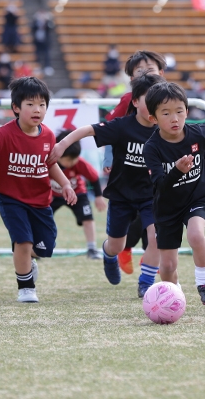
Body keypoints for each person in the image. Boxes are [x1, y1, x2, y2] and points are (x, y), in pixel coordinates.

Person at [49, 74, 165, 298]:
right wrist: (62, 144)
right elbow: (87, 130)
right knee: (116, 246)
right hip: (121, 196)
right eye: (149, 99)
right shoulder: (122, 126)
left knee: (157, 237)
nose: (155, 106)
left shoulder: (165, 129)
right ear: (135, 102)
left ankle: (146, 282)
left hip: (151, 195)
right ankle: (108, 254)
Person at [0, 77, 77, 303]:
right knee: (23, 242)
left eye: (41, 104)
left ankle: (28, 262)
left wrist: (66, 184)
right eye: (30, 104)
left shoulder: (48, 135)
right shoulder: (3, 134)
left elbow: (50, 164)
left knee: (43, 248)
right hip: (11, 199)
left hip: (41, 202)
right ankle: (26, 287)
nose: (37, 109)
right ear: (16, 108)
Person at [143, 82, 205, 305]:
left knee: (196, 235)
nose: (174, 118)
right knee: (168, 267)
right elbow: (160, 185)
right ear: (153, 118)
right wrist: (178, 171)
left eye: (179, 111)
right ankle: (173, 296)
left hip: (198, 197)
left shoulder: (199, 133)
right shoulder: (152, 148)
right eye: (166, 113)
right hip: (167, 206)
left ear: (187, 112)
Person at [103, 50, 166, 274]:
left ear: (161, 73)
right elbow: (110, 128)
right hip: (128, 178)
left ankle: (147, 274)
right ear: (131, 79)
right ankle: (119, 250)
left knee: (156, 229)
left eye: (149, 71)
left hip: (156, 181)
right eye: (139, 72)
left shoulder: (171, 98)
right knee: (130, 226)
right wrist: (109, 156)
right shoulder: (128, 101)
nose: (144, 75)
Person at [50, 129, 106, 260]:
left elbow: (94, 178)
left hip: (77, 194)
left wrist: (98, 197)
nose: (72, 163)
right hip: (53, 195)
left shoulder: (79, 163)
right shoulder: (49, 163)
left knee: (88, 218)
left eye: (74, 159)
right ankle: (40, 247)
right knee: (42, 219)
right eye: (69, 160)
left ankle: (92, 248)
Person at [32, 9, 54, 75]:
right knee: (37, 54)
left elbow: (51, 27)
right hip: (37, 40)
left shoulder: (48, 22)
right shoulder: (36, 22)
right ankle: (38, 67)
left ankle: (47, 66)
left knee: (46, 54)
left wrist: (46, 21)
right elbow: (32, 28)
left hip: (45, 41)